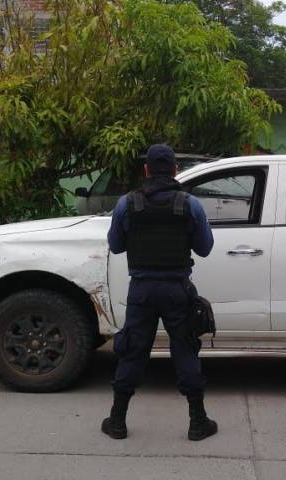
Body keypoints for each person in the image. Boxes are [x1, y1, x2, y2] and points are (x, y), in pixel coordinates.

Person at [101, 144, 217, 441]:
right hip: (177, 290)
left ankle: (117, 421)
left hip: (141, 292)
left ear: (146, 170)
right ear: (175, 170)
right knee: (185, 350)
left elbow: (116, 246)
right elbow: (205, 248)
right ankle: (198, 422)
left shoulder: (127, 204)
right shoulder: (189, 204)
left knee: (133, 351)